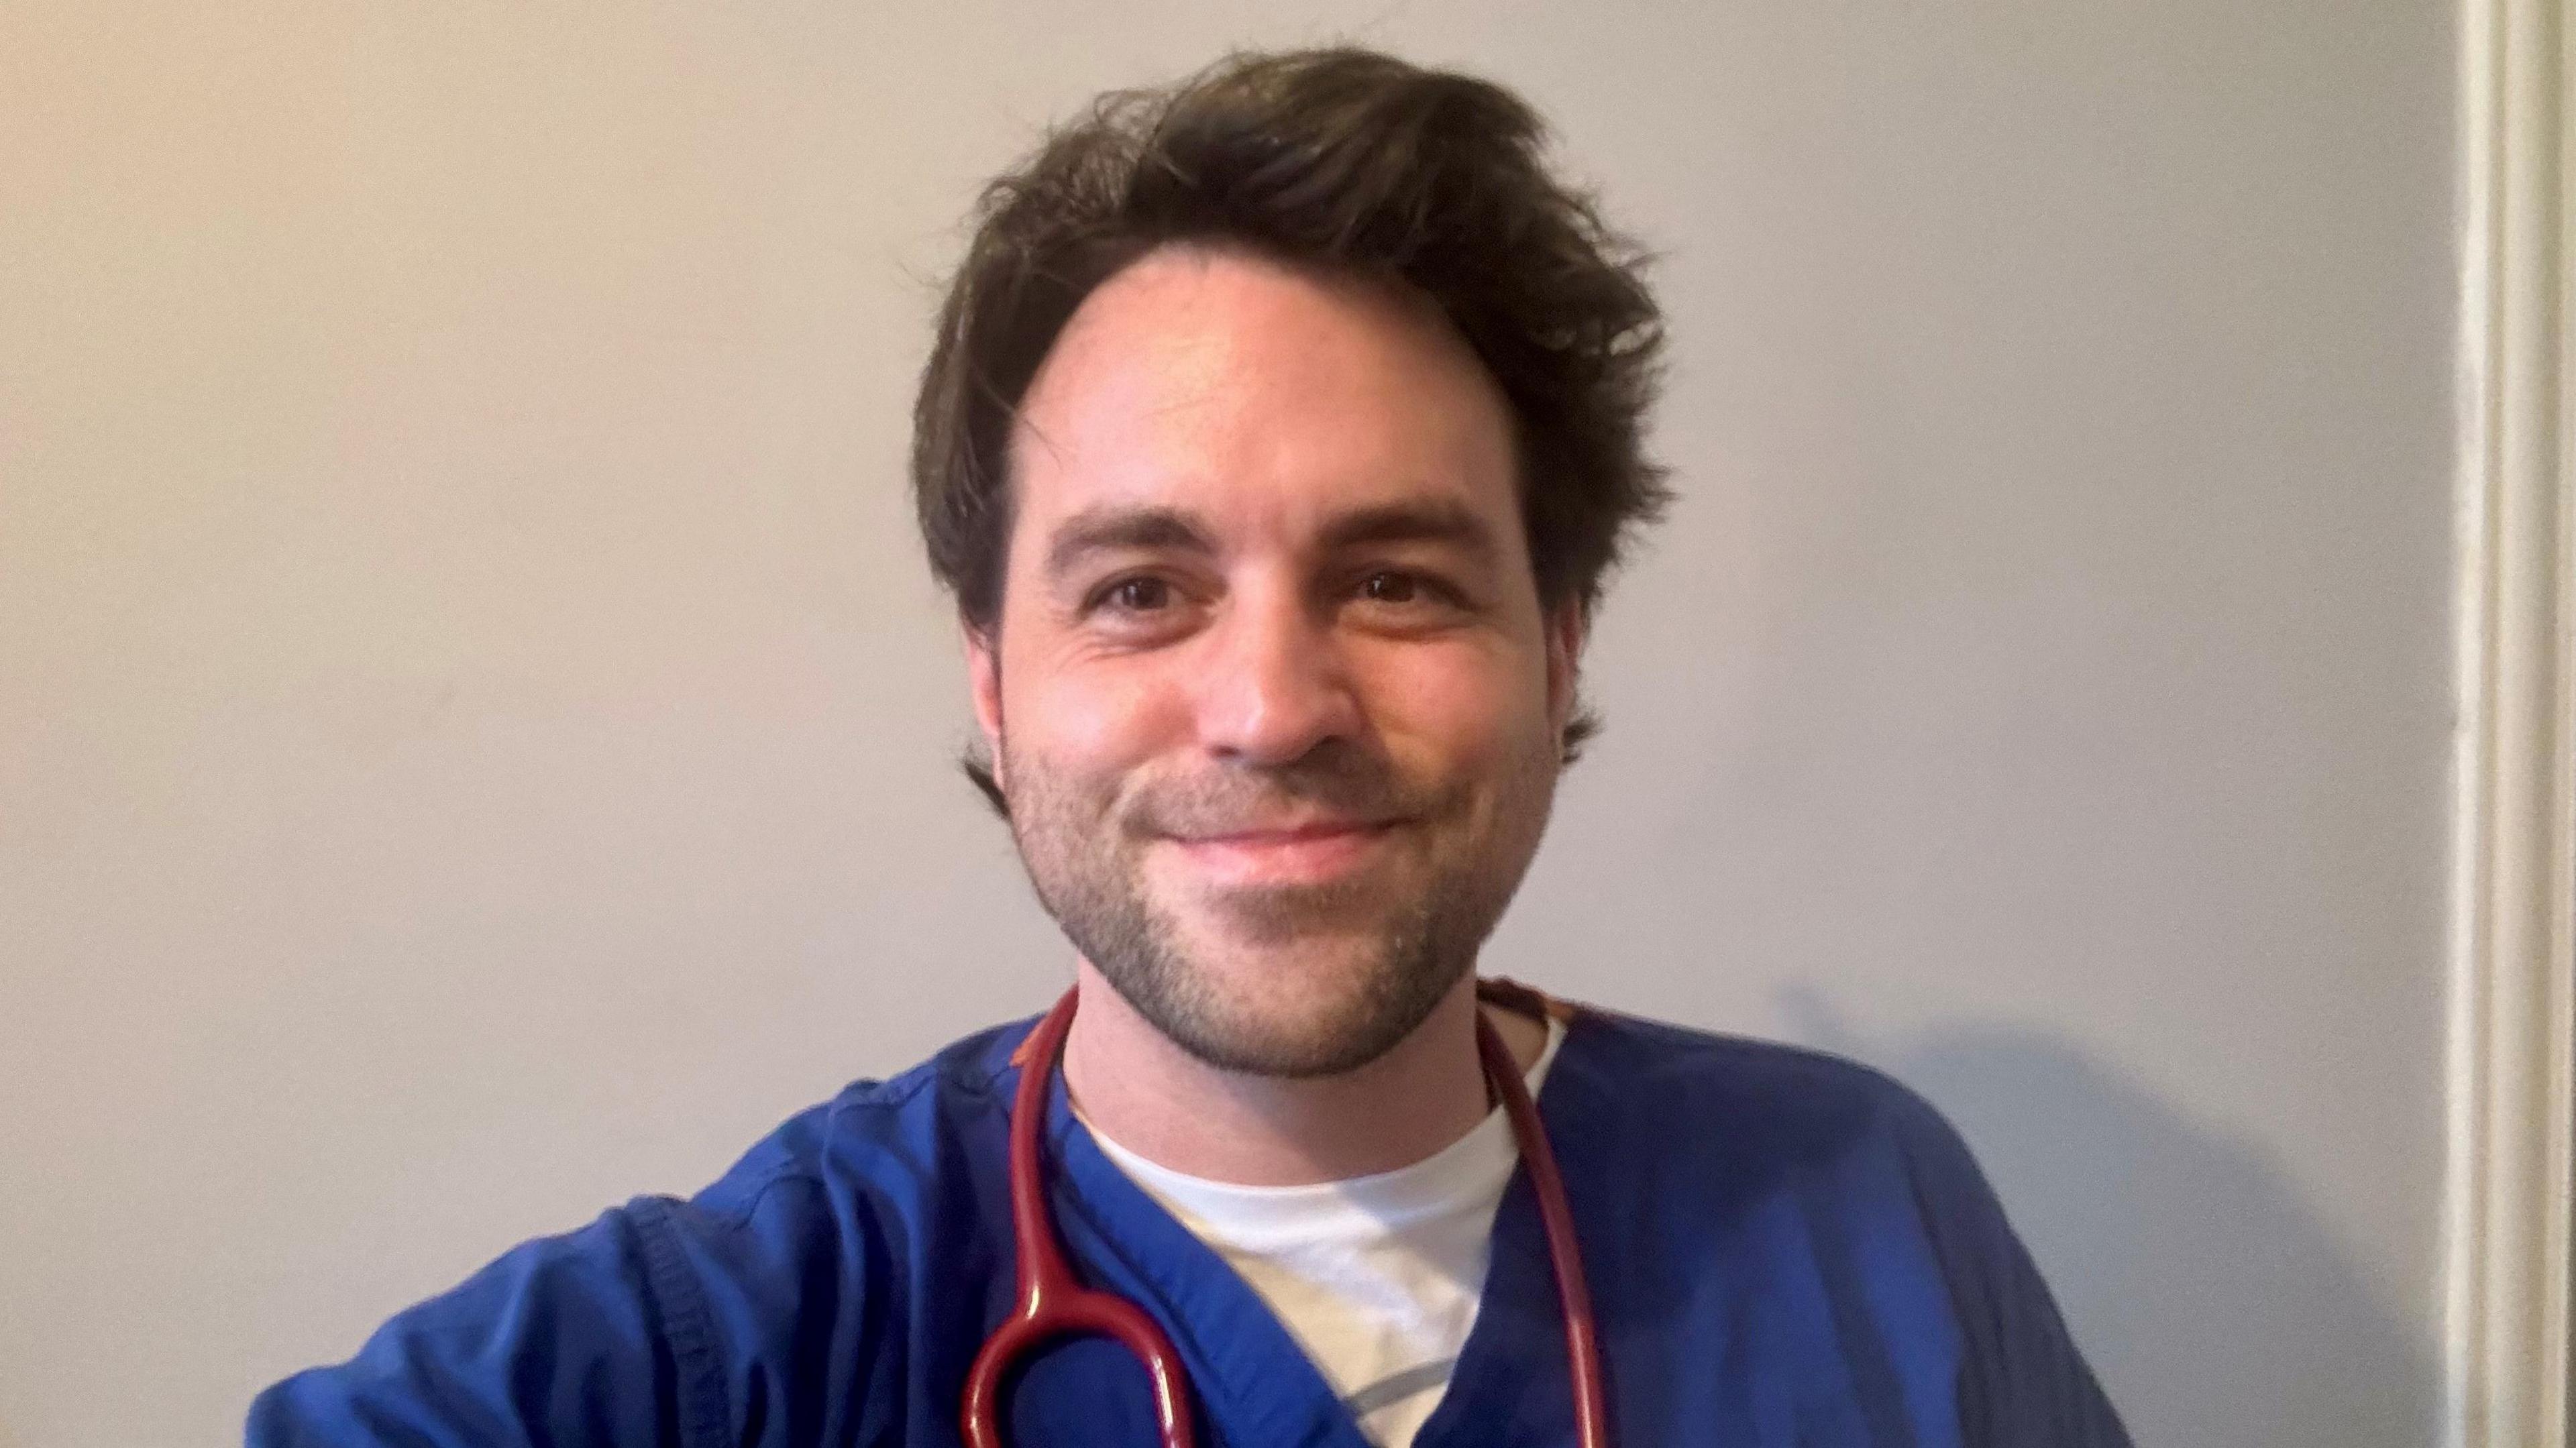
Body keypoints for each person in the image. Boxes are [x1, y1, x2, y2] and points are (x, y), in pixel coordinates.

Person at [250, 46, 2131, 1448]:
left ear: (1558, 644)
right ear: (991, 673)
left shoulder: (1868, 1221)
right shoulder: (735, 1352)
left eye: (1395, 581)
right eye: (1142, 592)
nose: (1273, 708)